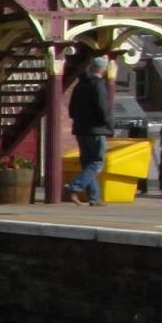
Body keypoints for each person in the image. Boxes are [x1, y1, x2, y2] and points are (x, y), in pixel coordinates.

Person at [64, 51, 114, 206]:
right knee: (96, 162)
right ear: (103, 69)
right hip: (96, 130)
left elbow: (71, 109)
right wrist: (109, 125)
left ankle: (94, 197)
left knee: (87, 163)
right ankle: (75, 186)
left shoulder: (79, 85)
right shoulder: (98, 85)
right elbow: (102, 108)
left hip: (80, 129)